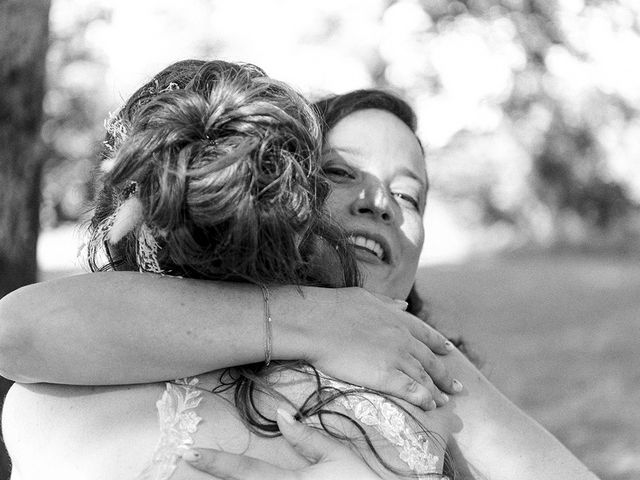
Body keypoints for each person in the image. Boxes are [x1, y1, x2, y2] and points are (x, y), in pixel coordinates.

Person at [0, 64, 599, 479]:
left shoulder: (429, 369)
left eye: (410, 195)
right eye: (341, 173)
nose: (379, 202)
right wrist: (311, 322)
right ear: (278, 184)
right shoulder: (131, 316)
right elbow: (16, 332)